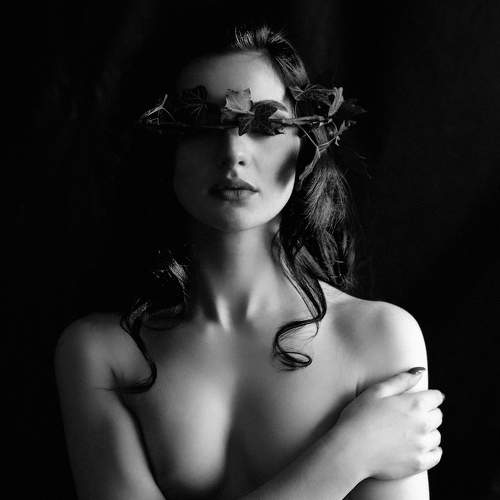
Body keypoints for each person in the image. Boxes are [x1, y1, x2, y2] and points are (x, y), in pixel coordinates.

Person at [54, 25, 444, 500]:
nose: (233, 153)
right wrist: (347, 454)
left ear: (307, 142)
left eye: (266, 125)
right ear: (164, 146)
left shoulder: (377, 338)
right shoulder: (101, 353)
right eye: (201, 126)